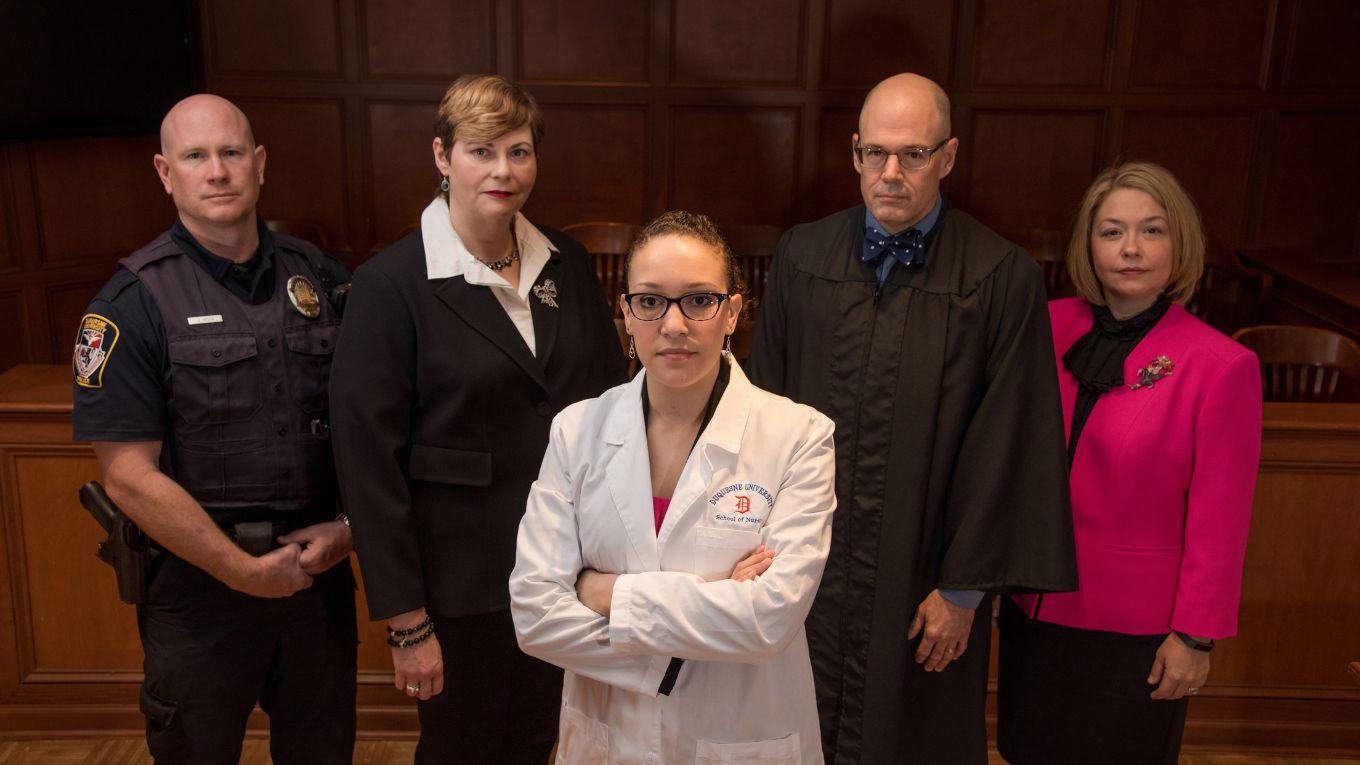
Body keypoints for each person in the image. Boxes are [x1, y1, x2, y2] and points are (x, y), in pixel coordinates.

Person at [747, 72, 1079, 764]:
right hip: (807, 569)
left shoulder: (998, 277)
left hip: (921, 574)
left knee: (913, 734)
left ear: (949, 157)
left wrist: (963, 589)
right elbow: (760, 416)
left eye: (914, 155)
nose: (891, 173)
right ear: (854, 152)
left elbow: (1009, 441)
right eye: (876, 153)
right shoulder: (803, 258)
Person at [329, 74, 625, 763]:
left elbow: (610, 409)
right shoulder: (389, 284)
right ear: (442, 156)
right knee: (462, 750)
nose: (503, 170)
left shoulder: (568, 263)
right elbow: (368, 463)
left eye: (519, 152)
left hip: (563, 573)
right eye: (481, 151)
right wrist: (407, 622)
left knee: (536, 743)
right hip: (457, 592)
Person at [71, 94, 356, 764]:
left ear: (259, 165)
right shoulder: (129, 303)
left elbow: (374, 426)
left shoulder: (320, 279)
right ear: (166, 173)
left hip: (316, 582)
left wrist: (352, 530)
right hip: (199, 593)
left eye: (231, 153)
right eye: (196, 157)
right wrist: (240, 570)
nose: (218, 171)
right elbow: (127, 476)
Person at [510, 211, 836, 764]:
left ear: (732, 311)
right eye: (652, 301)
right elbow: (535, 616)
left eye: (699, 300)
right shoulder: (576, 431)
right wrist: (705, 624)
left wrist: (601, 592)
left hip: (740, 736)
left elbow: (767, 621)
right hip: (608, 738)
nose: (675, 325)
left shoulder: (800, 436)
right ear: (626, 314)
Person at [996, 162, 1262, 764]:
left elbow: (1221, 519)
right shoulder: (1045, 326)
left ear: (1181, 244)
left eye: (1152, 230)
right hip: (1034, 609)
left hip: (1138, 629)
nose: (1132, 249)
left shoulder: (1221, 365)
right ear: (1088, 245)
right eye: (1112, 231)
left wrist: (1196, 635)